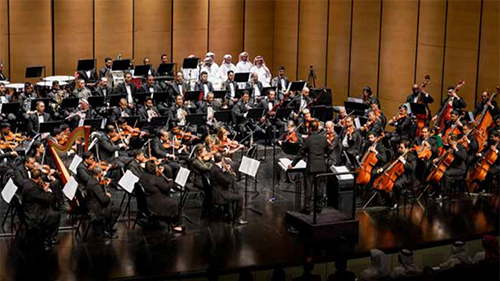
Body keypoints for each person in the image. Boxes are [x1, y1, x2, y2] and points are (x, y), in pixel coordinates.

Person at [289, 120, 331, 214]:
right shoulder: (324, 139)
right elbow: (329, 151)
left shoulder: (308, 139)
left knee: (308, 188)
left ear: (310, 129)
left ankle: (307, 208)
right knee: (319, 188)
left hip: (311, 166)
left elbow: (301, 153)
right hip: (321, 167)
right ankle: (318, 208)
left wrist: (292, 164)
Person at [139, 160, 183, 232]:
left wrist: (159, 175)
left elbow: (156, 184)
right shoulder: (154, 178)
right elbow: (166, 187)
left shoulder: (143, 176)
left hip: (147, 199)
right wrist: (171, 182)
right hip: (155, 202)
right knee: (174, 204)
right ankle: (175, 224)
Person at [22, 169, 61, 249]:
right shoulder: (33, 188)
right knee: (56, 215)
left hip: (29, 209)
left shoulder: (27, 182)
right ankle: (49, 238)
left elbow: (37, 195)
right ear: (39, 178)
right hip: (33, 215)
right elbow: (47, 199)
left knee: (50, 210)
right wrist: (48, 190)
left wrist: (43, 189)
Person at [376, 140, 416, 208]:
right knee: (382, 182)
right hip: (396, 174)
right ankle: (387, 200)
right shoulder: (398, 154)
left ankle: (395, 202)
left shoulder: (412, 156)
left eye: (401, 148)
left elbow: (412, 168)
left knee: (396, 184)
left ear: (407, 148)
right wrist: (382, 169)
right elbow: (391, 162)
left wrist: (403, 161)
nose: (399, 149)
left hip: (406, 176)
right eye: (399, 147)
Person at [210, 152, 247, 225]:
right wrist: (229, 172)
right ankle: (237, 219)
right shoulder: (217, 171)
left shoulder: (214, 167)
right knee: (240, 197)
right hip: (220, 195)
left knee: (234, 191)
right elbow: (228, 181)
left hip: (218, 190)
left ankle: (228, 212)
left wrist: (225, 170)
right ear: (222, 160)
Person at [87, 166, 120, 239]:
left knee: (112, 204)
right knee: (117, 210)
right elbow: (104, 200)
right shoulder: (95, 185)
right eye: (101, 173)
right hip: (97, 209)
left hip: (94, 204)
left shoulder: (91, 180)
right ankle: (107, 230)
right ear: (98, 174)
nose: (103, 174)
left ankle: (107, 227)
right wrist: (107, 195)